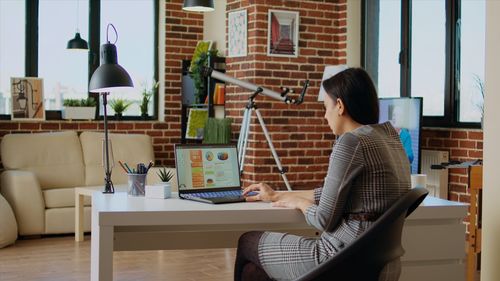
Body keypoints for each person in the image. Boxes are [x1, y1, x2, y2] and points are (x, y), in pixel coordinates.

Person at [234, 68, 411, 281]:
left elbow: (323, 219)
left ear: (340, 105)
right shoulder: (390, 137)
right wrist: (277, 195)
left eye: (325, 107)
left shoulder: (351, 142)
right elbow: (337, 195)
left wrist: (300, 203)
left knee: (247, 242)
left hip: (341, 259)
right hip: (382, 263)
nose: (324, 115)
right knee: (254, 272)